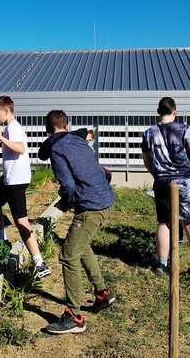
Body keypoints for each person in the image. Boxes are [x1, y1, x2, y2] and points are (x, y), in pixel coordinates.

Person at [39, 109, 116, 335]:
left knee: (68, 255)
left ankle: (74, 316)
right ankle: (103, 293)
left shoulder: (56, 148)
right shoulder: (77, 139)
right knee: (80, 247)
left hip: (92, 206)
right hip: (105, 199)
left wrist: (64, 203)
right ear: (67, 126)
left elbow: (68, 186)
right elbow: (85, 132)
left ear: (47, 129)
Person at [141, 97, 190, 280]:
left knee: (164, 222)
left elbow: (147, 162)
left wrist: (158, 175)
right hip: (186, 182)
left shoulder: (149, 133)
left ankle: (162, 264)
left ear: (158, 112)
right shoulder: (184, 130)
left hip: (163, 182)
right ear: (175, 111)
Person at [0, 96, 49, 278]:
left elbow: (20, 149)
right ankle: (1, 238)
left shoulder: (13, 127)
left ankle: (40, 263)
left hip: (16, 182)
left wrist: (1, 138)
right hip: (9, 179)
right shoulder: (9, 128)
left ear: (6, 111)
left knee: (21, 221)